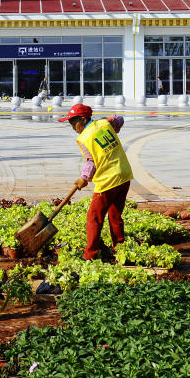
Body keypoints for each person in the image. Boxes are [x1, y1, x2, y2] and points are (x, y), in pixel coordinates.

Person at [59, 103, 133, 261]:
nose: (73, 127)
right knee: (115, 215)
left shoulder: (85, 138)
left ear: (84, 119)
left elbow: (90, 162)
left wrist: (83, 178)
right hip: (124, 175)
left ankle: (90, 255)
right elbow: (119, 119)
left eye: (74, 122)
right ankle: (121, 249)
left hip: (108, 180)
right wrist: (109, 121)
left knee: (94, 217)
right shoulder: (105, 124)